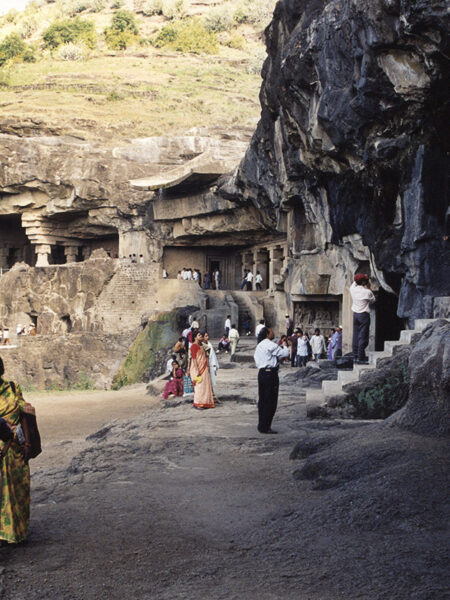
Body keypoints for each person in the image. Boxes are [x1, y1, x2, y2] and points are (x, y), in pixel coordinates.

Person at [0, 357, 32, 544]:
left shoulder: (12, 388)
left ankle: (18, 531)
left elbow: (25, 415)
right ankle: (5, 533)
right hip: (1, 451)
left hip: (17, 449)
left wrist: (27, 443)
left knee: (20, 489)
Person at [254, 327, 290, 434]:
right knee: (271, 400)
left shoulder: (259, 345)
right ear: (267, 334)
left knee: (263, 400)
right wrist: (285, 345)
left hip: (262, 373)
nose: (273, 332)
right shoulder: (270, 344)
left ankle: (262, 425)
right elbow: (285, 353)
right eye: (271, 331)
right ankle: (266, 426)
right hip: (270, 374)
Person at [350, 274, 375, 363]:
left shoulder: (352, 289)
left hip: (356, 314)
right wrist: (368, 288)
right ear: (363, 282)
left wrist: (359, 280)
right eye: (365, 280)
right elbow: (373, 300)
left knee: (356, 334)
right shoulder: (367, 292)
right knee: (363, 336)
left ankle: (356, 355)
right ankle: (361, 356)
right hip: (364, 315)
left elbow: (355, 282)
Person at [189, 331, 215, 409]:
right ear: (195, 337)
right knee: (199, 386)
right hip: (197, 369)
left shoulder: (202, 345)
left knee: (205, 386)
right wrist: (197, 371)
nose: (201, 336)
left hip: (204, 368)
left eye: (201, 335)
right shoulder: (193, 346)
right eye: (199, 335)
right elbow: (193, 359)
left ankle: (205, 402)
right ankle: (198, 403)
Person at [203, 332, 220, 399]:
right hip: (204, 365)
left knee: (210, 381)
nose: (207, 337)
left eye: (208, 335)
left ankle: (212, 395)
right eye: (206, 336)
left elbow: (213, 356)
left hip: (210, 365)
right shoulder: (202, 345)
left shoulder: (209, 344)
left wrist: (214, 365)